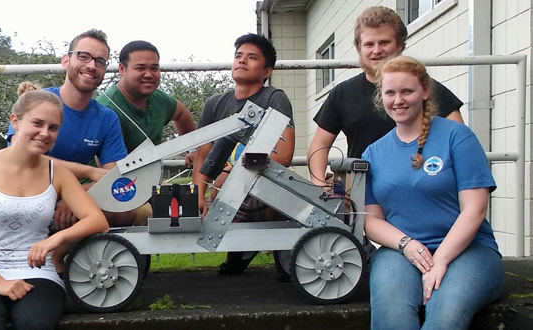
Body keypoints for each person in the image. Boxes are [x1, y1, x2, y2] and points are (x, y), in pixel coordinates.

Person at [0, 82, 110, 330]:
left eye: (53, 128)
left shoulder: (58, 172)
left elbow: (97, 220)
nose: (45, 133)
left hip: (37, 273)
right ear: (15, 121)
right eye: (37, 123)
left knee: (35, 324)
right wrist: (0, 283)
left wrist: (53, 241)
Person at [362, 56, 503, 329]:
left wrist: (439, 261)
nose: (398, 100)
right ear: (382, 96)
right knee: (392, 315)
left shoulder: (457, 136)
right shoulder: (374, 152)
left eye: (407, 91)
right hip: (401, 252)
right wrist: (407, 244)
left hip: (470, 251)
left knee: (444, 315)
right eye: (390, 92)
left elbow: (475, 209)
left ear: (425, 91)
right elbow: (371, 220)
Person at [308, 6, 464, 188]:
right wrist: (320, 185)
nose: (376, 50)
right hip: (362, 193)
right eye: (369, 44)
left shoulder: (426, 88)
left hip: (419, 189)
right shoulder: (342, 93)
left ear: (400, 45)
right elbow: (319, 144)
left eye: (384, 42)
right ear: (359, 49)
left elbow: (459, 140)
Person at [5, 29, 131, 228]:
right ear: (66, 61)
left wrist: (77, 198)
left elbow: (111, 179)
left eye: (100, 61)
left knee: (132, 210)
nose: (91, 65)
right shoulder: (38, 102)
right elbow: (20, 155)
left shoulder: (107, 117)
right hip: (24, 196)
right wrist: (87, 173)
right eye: (84, 56)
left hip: (73, 203)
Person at [192, 33, 295, 276]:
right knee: (218, 183)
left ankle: (283, 258)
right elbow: (203, 153)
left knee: (271, 187)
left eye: (251, 57)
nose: (242, 61)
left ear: (267, 71)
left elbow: (284, 155)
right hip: (224, 185)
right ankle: (239, 251)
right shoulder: (215, 104)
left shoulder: (274, 98)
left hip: (263, 180)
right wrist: (197, 192)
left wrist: (231, 170)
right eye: (238, 56)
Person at [97, 40, 197, 225]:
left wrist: (193, 148)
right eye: (140, 68)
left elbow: (181, 113)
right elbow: (104, 173)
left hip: (145, 186)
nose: (149, 75)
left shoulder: (159, 99)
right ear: (121, 69)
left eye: (155, 68)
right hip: (110, 189)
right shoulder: (106, 108)